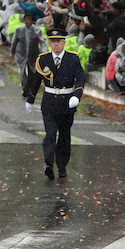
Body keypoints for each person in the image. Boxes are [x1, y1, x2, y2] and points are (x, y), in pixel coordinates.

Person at [25, 28, 85, 180]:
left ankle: (62, 166)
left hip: (67, 103)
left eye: (59, 42)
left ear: (64, 43)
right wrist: (30, 98)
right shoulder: (43, 59)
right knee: (50, 134)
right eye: (53, 42)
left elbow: (80, 79)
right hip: (50, 102)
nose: (56, 45)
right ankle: (49, 164)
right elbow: (36, 80)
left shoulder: (73, 59)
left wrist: (76, 96)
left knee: (64, 136)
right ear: (49, 43)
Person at [13, 13, 45, 94]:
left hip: (33, 55)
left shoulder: (37, 30)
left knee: (32, 72)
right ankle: (24, 88)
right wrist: (13, 52)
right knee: (22, 72)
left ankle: (29, 88)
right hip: (22, 54)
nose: (28, 21)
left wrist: (44, 52)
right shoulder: (19, 30)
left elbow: (43, 42)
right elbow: (15, 41)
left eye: (29, 19)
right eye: (26, 19)